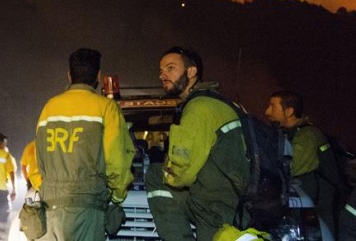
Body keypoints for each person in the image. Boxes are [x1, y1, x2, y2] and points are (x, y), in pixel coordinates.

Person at [144, 46, 250, 240]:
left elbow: (180, 174)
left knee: (154, 174)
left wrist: (164, 165)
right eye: (161, 70)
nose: (162, 75)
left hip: (217, 208)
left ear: (191, 72)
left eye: (170, 68)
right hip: (237, 201)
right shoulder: (219, 102)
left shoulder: (198, 109)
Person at [34, 48, 135, 240]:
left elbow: (38, 160)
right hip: (88, 210)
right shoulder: (106, 107)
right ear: (98, 75)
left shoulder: (49, 108)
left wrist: (49, 189)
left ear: (69, 75)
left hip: (49, 209)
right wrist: (118, 195)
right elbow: (117, 161)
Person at [265, 90, 341, 235]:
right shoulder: (288, 133)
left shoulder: (308, 136)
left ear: (289, 111)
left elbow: (290, 168)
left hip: (318, 213)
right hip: (304, 208)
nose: (267, 111)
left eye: (273, 106)